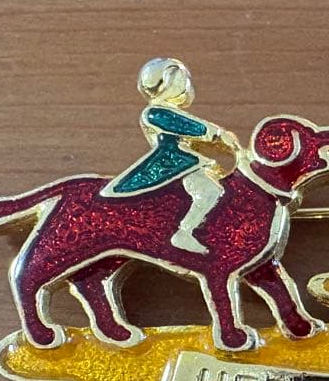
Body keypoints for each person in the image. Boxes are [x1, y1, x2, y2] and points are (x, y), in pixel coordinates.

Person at [102, 57, 239, 252]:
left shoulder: (164, 111)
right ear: (168, 82)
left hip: (185, 160)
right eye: (181, 78)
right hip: (174, 162)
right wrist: (217, 133)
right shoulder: (154, 113)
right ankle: (185, 232)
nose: (186, 83)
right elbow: (187, 125)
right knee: (209, 192)